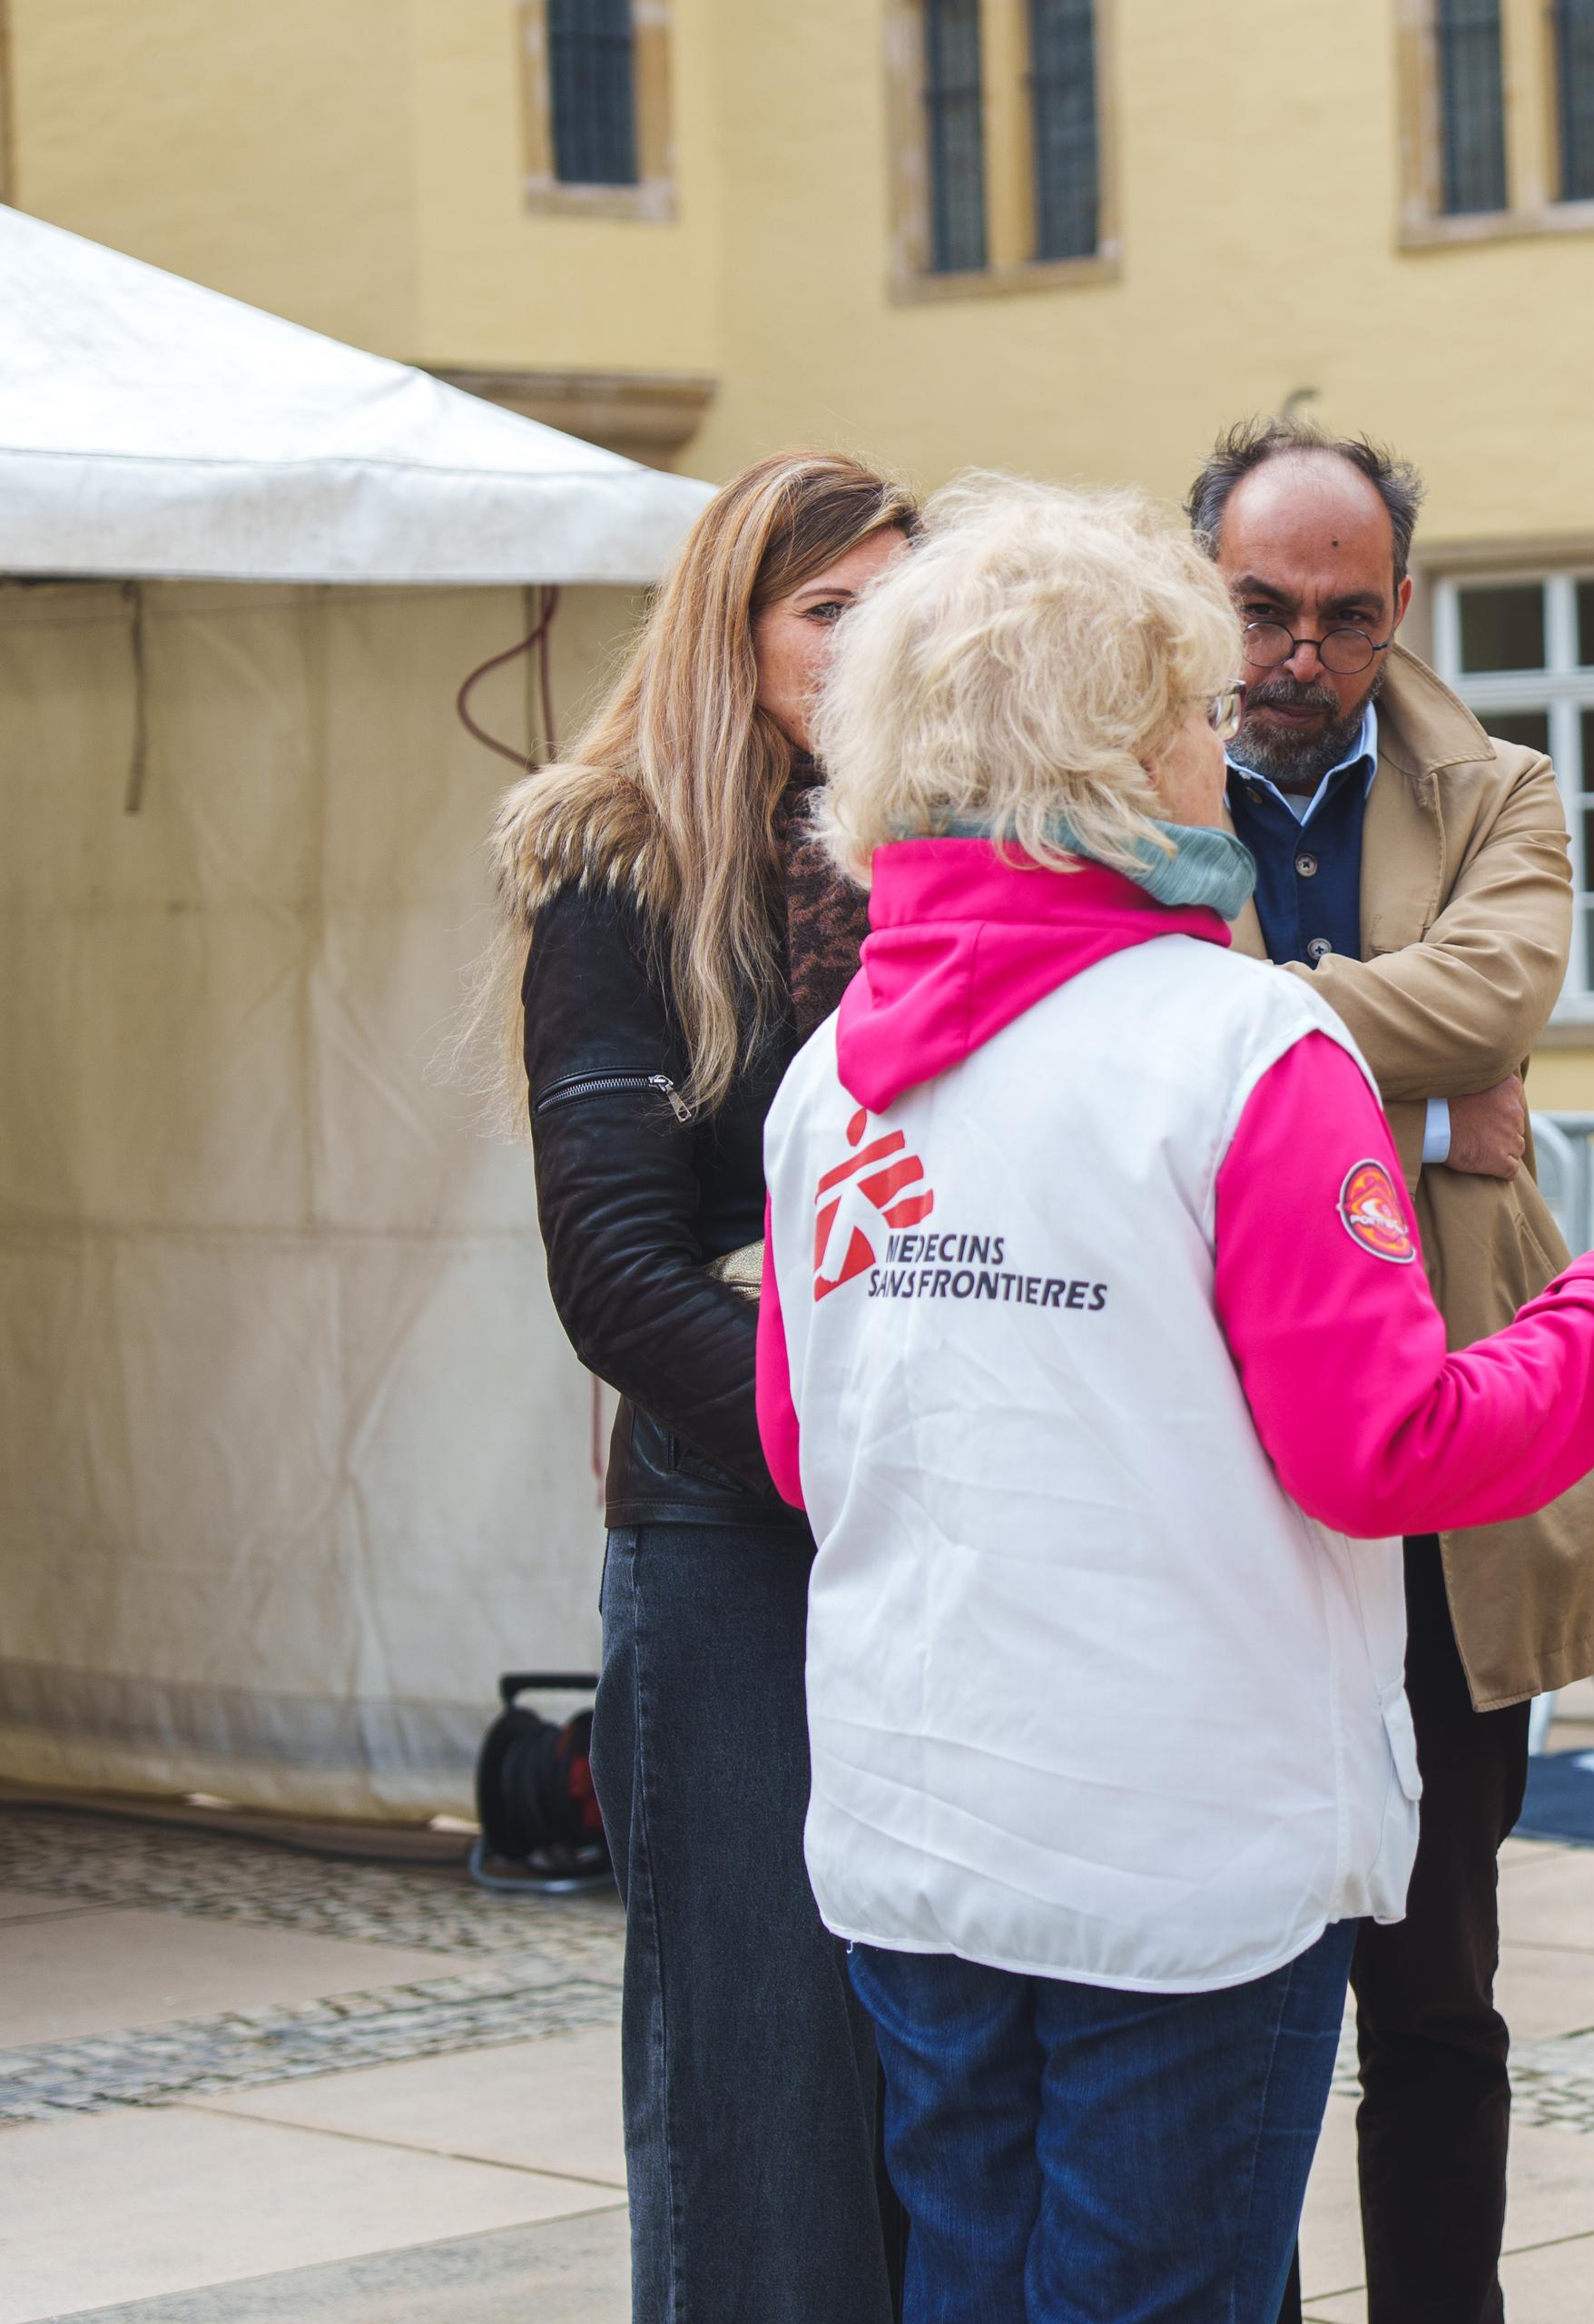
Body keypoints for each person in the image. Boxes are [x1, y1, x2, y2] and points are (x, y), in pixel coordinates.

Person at [760, 474, 1594, 2321]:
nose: (1223, 735)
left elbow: (814, 1450)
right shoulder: (1243, 1048)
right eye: (1190, 703)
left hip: (919, 1833)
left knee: (969, 2279)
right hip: (1177, 1847)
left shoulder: (833, 1086)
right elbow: (1388, 1446)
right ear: (1117, 747)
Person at [1184, 415, 1594, 2324]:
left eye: (1344, 614)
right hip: (1214, 1455)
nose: (1297, 651)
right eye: (1261, 607)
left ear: (1406, 607)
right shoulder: (1114, 774)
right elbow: (1424, 1029)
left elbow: (1502, 993)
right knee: (1227, 1969)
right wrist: (1406, 1071)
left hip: (1442, 1445)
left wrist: (1222, 1025)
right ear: (1199, 588)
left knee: (1437, 1977)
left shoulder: (1504, 786)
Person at [484, 449, 914, 2323]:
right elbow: (618, 1271)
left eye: (900, 604)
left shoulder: (952, 855)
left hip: (935, 1548)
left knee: (931, 2065)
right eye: (831, 608)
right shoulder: (618, 867)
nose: (872, 641)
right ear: (729, 637)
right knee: (754, 2091)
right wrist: (871, 1440)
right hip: (732, 1547)